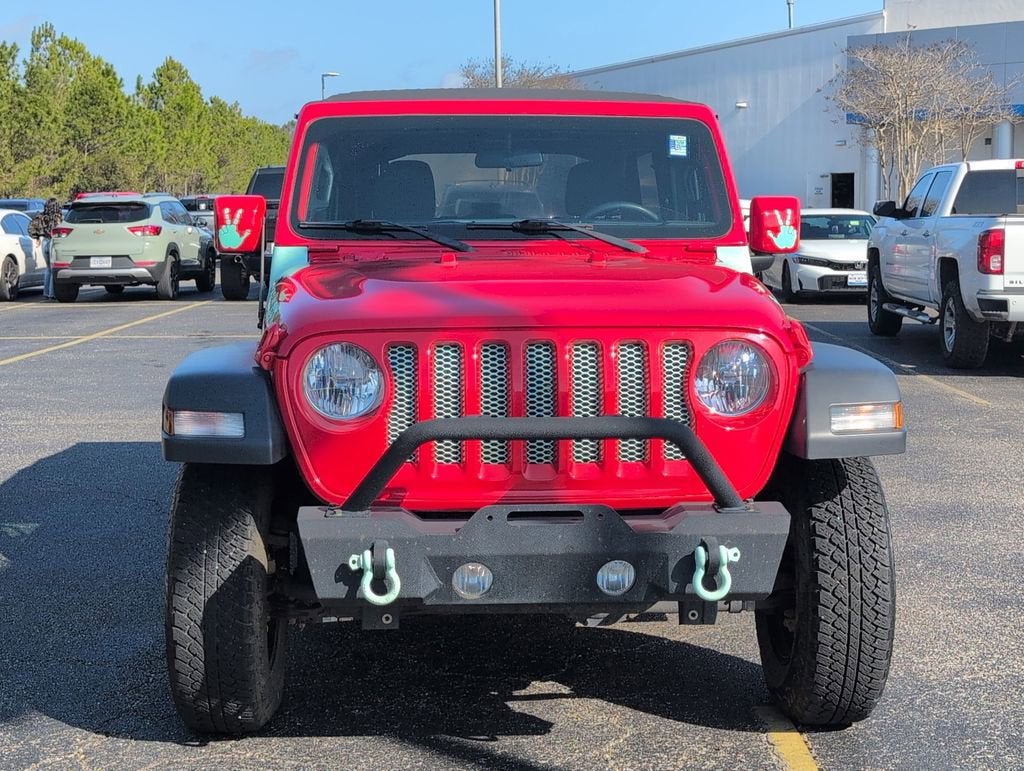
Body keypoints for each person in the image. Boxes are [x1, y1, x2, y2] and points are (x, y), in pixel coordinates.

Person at [28, 197, 62, 300]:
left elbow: (31, 227)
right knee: (53, 269)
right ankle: (52, 293)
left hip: (44, 241)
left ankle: (46, 292)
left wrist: (37, 237)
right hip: (53, 241)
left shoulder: (41, 216)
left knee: (48, 269)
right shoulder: (58, 217)